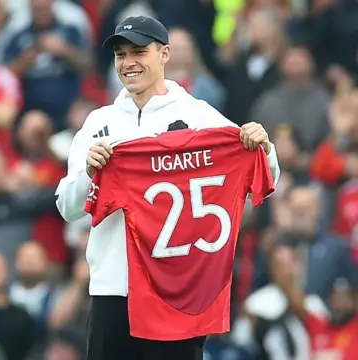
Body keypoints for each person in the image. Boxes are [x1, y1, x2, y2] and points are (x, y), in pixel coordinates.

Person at [54, 16, 281, 360]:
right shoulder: (98, 122)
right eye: (120, 54)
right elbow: (67, 208)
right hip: (113, 290)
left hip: (177, 291)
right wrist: (89, 171)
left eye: (138, 52)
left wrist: (264, 146)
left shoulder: (199, 116)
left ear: (164, 54)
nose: (128, 62)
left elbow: (263, 175)